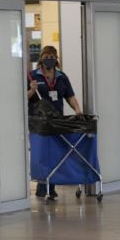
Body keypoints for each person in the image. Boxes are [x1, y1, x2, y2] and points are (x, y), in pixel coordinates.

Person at [26, 45, 81, 199]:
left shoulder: (62, 77)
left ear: (56, 59)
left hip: (56, 121)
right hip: (39, 123)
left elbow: (70, 96)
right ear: (41, 59)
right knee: (42, 154)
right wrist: (31, 90)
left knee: (56, 154)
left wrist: (77, 109)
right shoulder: (32, 76)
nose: (48, 60)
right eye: (46, 56)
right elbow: (23, 98)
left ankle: (51, 186)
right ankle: (42, 186)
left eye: (52, 57)